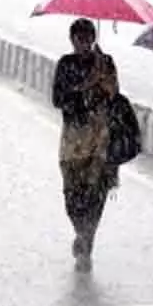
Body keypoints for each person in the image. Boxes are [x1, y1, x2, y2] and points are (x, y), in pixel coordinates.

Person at [52, 19, 119, 272]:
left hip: (99, 138)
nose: (83, 44)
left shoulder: (106, 63)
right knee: (72, 193)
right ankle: (80, 230)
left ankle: (87, 237)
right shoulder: (65, 65)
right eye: (79, 39)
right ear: (72, 40)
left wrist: (102, 83)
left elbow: (114, 97)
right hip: (72, 139)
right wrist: (83, 91)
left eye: (87, 38)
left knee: (96, 191)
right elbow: (58, 99)